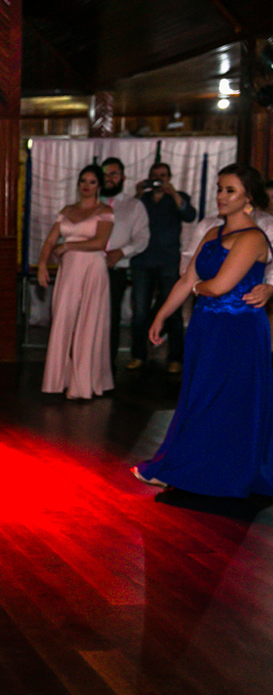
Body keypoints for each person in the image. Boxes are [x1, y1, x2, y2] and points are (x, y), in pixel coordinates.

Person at [133, 165, 273, 496]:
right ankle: (186, 465)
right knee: (197, 397)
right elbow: (187, 280)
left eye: (230, 190)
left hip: (237, 331)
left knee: (224, 400)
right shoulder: (212, 233)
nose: (221, 196)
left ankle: (209, 471)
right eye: (220, 188)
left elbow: (219, 286)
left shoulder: (253, 237)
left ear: (248, 197)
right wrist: (161, 315)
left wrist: (197, 288)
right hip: (206, 327)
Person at [36, 164, 115, 400]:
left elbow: (100, 242)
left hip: (92, 269)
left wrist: (68, 245)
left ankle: (85, 383)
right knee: (62, 319)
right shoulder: (67, 210)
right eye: (83, 181)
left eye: (92, 182)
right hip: (69, 271)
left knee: (89, 323)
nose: (86, 186)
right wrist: (42, 264)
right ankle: (56, 381)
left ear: (99, 186)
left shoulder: (104, 211)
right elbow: (50, 241)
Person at [128, 162, 196, 373]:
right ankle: (138, 355)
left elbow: (190, 215)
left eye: (163, 175)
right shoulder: (142, 200)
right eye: (155, 176)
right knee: (140, 312)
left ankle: (175, 358)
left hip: (169, 261)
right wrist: (138, 193)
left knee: (173, 311)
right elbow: (126, 219)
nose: (159, 179)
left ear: (170, 177)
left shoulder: (177, 196)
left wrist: (172, 192)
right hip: (142, 260)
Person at [99, 157, 150, 372]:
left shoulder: (133, 205)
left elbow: (142, 238)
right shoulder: (91, 203)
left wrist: (121, 252)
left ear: (123, 177)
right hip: (87, 268)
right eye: (105, 174)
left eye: (114, 174)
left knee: (109, 319)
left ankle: (106, 369)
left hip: (115, 270)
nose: (109, 179)